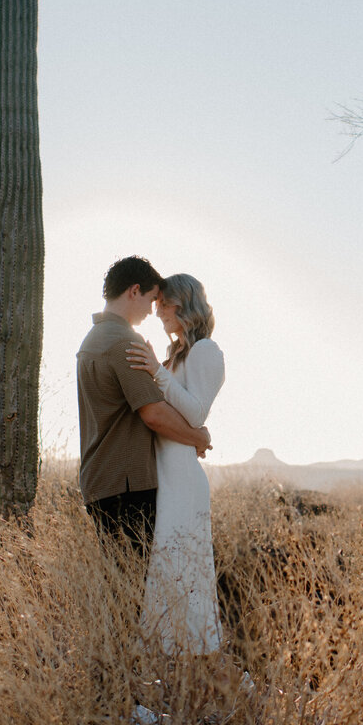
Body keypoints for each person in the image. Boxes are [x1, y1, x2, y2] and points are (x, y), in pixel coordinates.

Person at [76, 256, 211, 559]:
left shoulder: (93, 339)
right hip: (127, 486)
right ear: (134, 291)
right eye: (152, 300)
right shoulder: (124, 342)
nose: (153, 310)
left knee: (122, 586)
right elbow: (154, 414)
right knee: (137, 587)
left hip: (100, 481)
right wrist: (199, 438)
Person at [126, 273, 225, 655]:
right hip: (162, 475)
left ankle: (198, 668)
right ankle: (166, 674)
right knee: (165, 575)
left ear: (182, 304)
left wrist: (155, 370)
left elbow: (196, 413)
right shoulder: (175, 355)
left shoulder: (206, 352)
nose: (157, 311)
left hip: (182, 481)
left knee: (184, 577)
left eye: (162, 303)